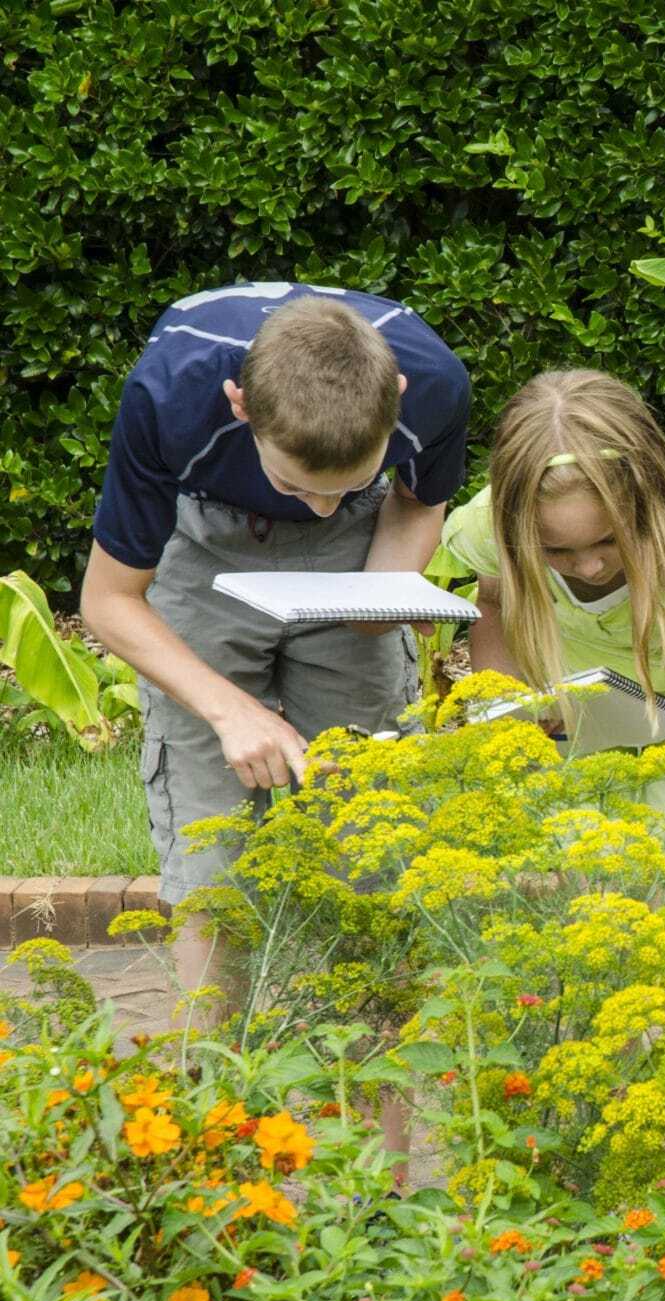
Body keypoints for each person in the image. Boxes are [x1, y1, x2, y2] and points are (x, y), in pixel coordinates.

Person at [80, 282, 470, 990]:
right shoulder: (173, 389)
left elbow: (417, 501)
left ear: (400, 394)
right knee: (213, 854)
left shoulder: (436, 384)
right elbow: (108, 601)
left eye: (342, 483)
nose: (318, 507)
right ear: (241, 406)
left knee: (372, 831)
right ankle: (213, 1083)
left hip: (363, 539)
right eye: (299, 486)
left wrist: (378, 600)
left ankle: (373, 1079)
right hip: (207, 541)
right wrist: (232, 710)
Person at [440, 370, 665, 903]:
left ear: (648, 508)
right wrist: (510, 715)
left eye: (608, 541)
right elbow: (495, 603)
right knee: (593, 890)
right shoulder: (488, 526)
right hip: (572, 720)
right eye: (557, 552)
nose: (588, 567)